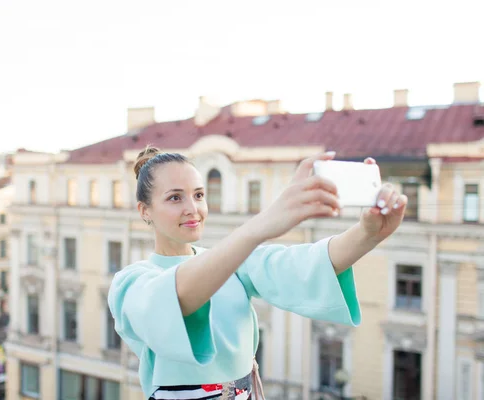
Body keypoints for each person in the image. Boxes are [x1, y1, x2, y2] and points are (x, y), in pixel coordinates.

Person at [108, 146, 408, 400]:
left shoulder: (232, 262)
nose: (193, 208)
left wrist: (368, 233)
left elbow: (302, 264)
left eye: (199, 195)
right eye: (175, 198)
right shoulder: (131, 283)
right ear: (144, 210)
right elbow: (176, 297)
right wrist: (260, 225)